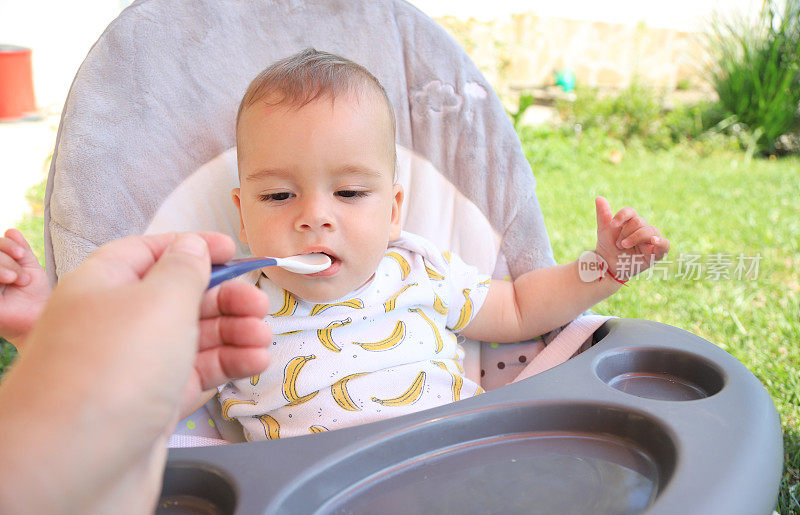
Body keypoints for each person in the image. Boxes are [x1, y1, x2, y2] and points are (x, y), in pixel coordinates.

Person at [0, 49, 670, 443]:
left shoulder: (417, 267)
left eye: (350, 195)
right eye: (278, 196)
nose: (315, 218)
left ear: (394, 209)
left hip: (446, 461)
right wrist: (44, 323)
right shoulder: (228, 297)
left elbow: (523, 306)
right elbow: (129, 380)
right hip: (303, 499)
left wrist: (602, 266)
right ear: (241, 210)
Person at [0, 231, 272, 515]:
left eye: (338, 193)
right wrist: (45, 344)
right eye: (279, 196)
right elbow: (133, 408)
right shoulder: (239, 302)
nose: (315, 217)